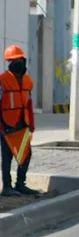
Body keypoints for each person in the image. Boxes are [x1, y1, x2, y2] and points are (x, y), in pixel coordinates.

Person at [0, 45, 38, 197]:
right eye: (12, 60)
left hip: (23, 125)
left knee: (25, 154)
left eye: (19, 59)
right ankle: (7, 187)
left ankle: (20, 184)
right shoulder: (2, 80)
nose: (16, 63)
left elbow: (29, 103)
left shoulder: (28, 81)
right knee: (7, 156)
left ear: (24, 60)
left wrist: (32, 124)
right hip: (6, 125)